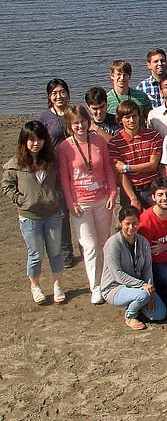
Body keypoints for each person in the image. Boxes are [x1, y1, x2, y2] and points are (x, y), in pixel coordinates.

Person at [57, 105, 117, 304]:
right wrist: (70, 202)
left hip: (102, 199)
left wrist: (113, 192)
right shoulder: (65, 147)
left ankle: (106, 280)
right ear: (69, 125)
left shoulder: (99, 141)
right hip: (80, 203)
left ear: (88, 121)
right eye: (75, 123)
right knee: (89, 246)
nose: (80, 126)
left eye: (82, 121)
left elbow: (108, 167)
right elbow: (64, 178)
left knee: (103, 242)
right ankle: (96, 287)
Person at [3, 121, 66, 304]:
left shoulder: (51, 161)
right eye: (31, 139)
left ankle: (57, 285)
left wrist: (57, 195)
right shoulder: (15, 163)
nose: (36, 143)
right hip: (29, 217)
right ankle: (35, 286)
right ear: (24, 141)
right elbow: (6, 185)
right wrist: (20, 199)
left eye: (39, 139)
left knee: (55, 251)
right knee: (36, 253)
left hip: (53, 213)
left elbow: (61, 181)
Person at [101, 207, 167, 330]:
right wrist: (143, 286)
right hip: (115, 287)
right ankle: (130, 315)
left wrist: (151, 292)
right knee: (143, 295)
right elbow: (117, 274)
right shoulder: (112, 244)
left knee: (159, 314)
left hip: (139, 287)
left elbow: (147, 269)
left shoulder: (143, 242)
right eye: (127, 224)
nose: (131, 227)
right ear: (121, 223)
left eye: (135, 223)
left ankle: (136, 303)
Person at [108, 98, 163, 210]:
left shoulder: (154, 136)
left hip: (153, 186)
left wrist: (127, 167)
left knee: (157, 221)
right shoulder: (115, 143)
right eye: (127, 117)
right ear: (120, 120)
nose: (132, 120)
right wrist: (133, 198)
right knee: (130, 223)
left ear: (139, 116)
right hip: (130, 189)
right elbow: (121, 173)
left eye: (134, 116)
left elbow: (153, 165)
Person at [40, 78, 71, 146]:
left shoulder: (76, 113)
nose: (59, 96)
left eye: (62, 92)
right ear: (49, 96)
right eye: (54, 93)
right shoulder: (45, 117)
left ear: (68, 93)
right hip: (54, 156)